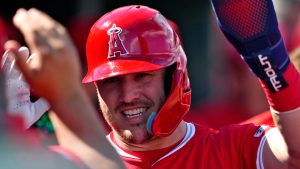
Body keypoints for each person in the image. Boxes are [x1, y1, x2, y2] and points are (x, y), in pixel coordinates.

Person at [80, 2, 300, 169]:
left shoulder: (231, 147)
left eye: (143, 76)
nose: (128, 96)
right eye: (112, 80)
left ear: (175, 77)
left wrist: (270, 61)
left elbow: (295, 155)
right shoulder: (73, 162)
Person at [2, 8, 125, 169]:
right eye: (77, 63)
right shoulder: (40, 112)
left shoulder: (116, 116)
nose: (78, 73)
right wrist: (13, 131)